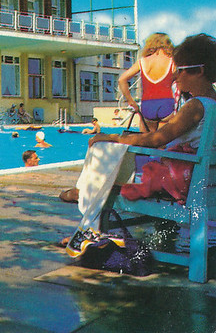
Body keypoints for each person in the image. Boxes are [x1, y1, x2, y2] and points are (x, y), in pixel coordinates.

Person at [64, 34, 216, 257]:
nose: (174, 76)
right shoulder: (212, 103)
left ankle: (90, 224)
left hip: (182, 184)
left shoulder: (195, 106)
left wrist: (114, 138)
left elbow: (155, 139)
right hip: (204, 182)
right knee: (117, 157)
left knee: (102, 154)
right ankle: (85, 206)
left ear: (199, 71)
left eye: (180, 69)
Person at [118, 32, 176, 132]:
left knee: (146, 141)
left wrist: (131, 101)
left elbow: (121, 79)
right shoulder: (172, 61)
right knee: (164, 142)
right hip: (166, 103)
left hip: (147, 105)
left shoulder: (142, 61)